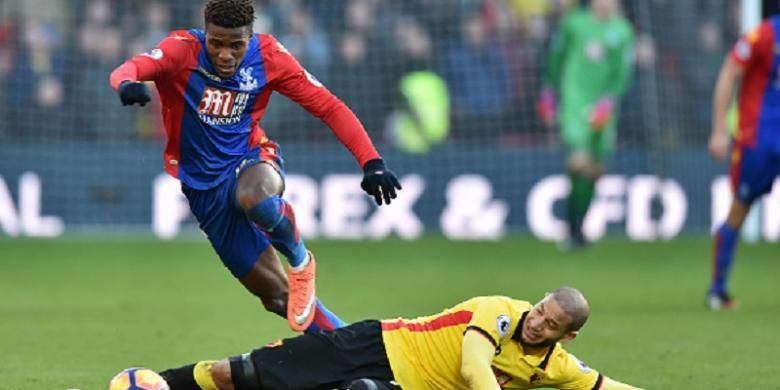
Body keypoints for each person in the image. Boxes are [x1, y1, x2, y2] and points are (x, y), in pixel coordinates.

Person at [109, 0, 401, 332]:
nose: (224, 54)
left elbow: (328, 107)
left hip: (251, 158)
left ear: (250, 37)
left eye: (236, 45)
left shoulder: (269, 56)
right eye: (216, 43)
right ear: (205, 35)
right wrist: (128, 84)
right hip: (204, 190)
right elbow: (128, 68)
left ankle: (300, 259)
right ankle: (363, 352)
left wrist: (372, 161)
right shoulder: (181, 50)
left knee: (256, 198)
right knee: (279, 299)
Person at [156, 287, 643, 389]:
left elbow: (604, 387)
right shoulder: (498, 312)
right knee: (237, 374)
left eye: (550, 324)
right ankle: (158, 384)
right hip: (374, 346)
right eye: (539, 311)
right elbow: (475, 366)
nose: (537, 323)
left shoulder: (552, 367)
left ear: (568, 335)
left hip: (395, 387)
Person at [537, 0, 634, 249]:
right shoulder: (574, 23)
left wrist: (608, 100)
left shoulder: (622, 31)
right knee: (579, 161)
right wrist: (548, 92)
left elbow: (622, 73)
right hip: (575, 101)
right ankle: (572, 228)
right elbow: (556, 58)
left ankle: (578, 228)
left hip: (603, 106)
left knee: (594, 171)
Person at [707, 15, 780, 310]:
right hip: (758, 140)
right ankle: (718, 290)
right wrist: (719, 129)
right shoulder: (764, 34)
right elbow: (729, 72)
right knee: (740, 210)